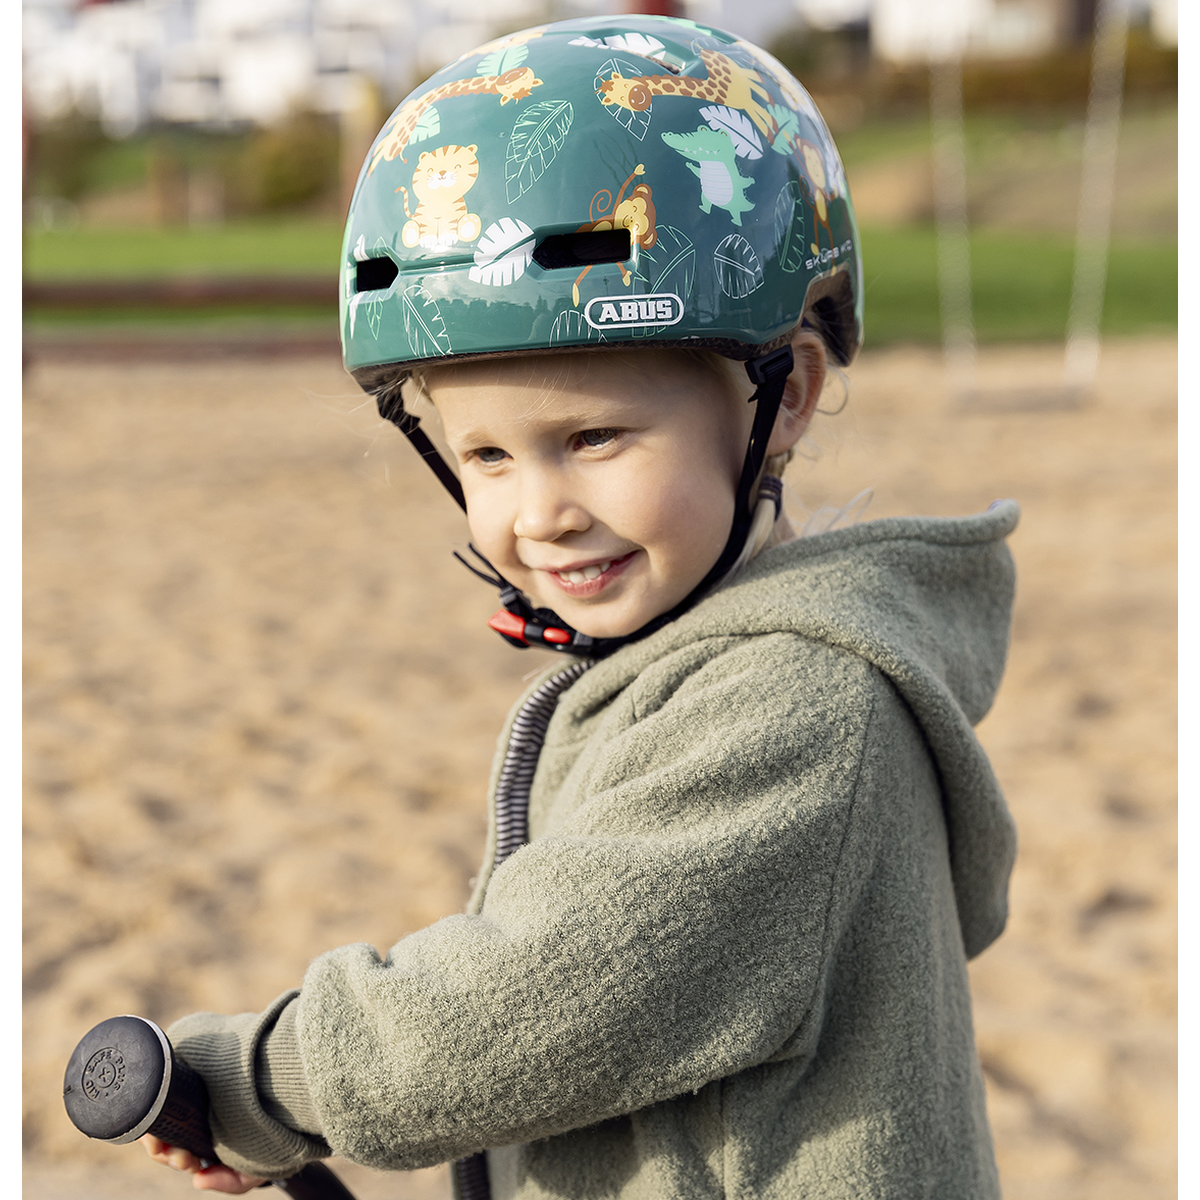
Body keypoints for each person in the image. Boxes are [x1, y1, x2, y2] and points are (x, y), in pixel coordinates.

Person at [143, 15, 1018, 1199]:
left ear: (787, 396)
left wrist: (260, 1080)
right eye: (489, 457)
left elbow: (522, 1008)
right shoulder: (691, 665)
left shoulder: (799, 708)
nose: (539, 512)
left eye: (593, 438)